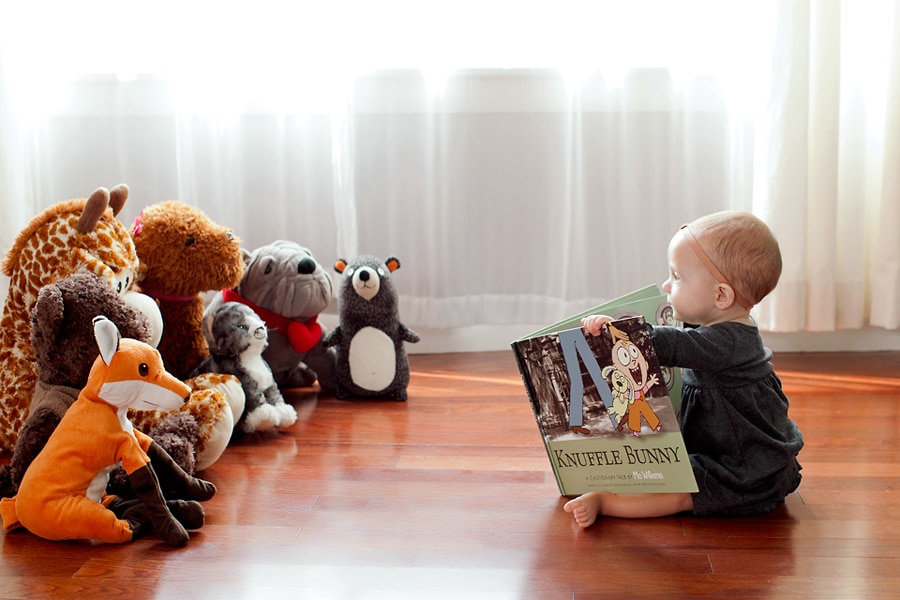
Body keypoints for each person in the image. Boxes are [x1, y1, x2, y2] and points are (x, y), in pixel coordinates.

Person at [564, 211, 804, 528]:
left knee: (680, 490)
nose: (667, 284)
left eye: (677, 277)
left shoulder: (728, 344)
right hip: (720, 444)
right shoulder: (723, 326)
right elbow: (682, 335)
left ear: (721, 295)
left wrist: (622, 334)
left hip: (740, 465)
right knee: (660, 467)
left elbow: (674, 344)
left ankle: (607, 502)